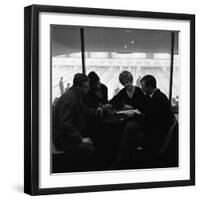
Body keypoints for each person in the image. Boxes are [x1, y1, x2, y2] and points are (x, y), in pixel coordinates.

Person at [111, 75, 175, 169]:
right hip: (156, 126)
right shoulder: (156, 96)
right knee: (130, 126)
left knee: (129, 128)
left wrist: (134, 115)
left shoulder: (158, 99)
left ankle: (121, 159)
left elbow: (150, 120)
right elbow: (150, 112)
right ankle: (125, 157)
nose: (142, 90)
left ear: (149, 87)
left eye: (143, 87)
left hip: (157, 131)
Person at [53, 73, 97, 170]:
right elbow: (66, 124)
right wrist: (81, 139)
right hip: (63, 139)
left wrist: (96, 110)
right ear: (78, 86)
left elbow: (83, 109)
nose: (88, 89)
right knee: (90, 148)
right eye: (86, 87)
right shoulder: (69, 99)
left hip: (69, 134)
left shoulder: (76, 94)